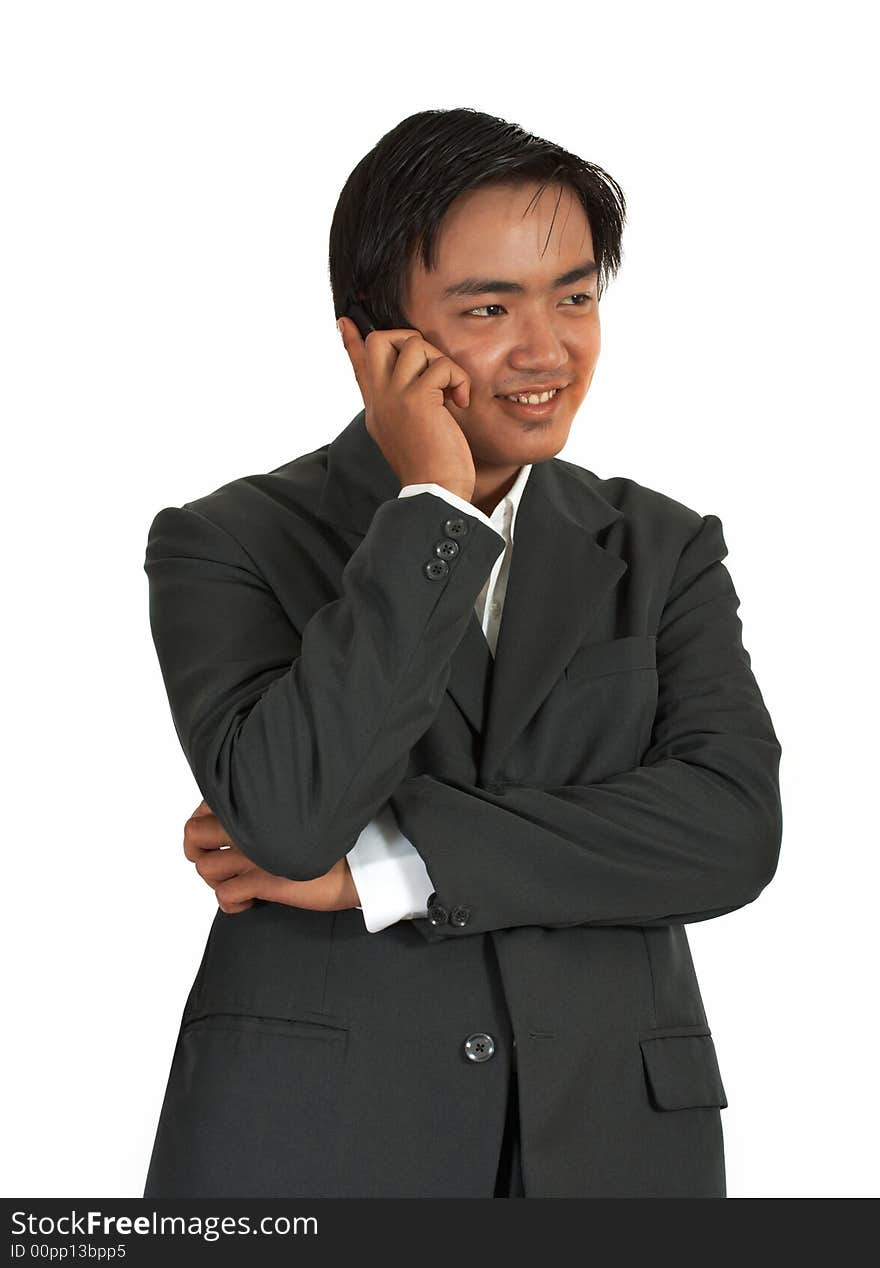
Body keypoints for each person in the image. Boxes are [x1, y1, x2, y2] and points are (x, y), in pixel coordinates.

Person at [141, 107, 782, 1199]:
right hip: (317, 1149)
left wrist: (385, 867)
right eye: (489, 307)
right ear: (367, 340)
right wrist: (432, 508)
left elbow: (729, 829)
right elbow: (292, 816)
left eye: (575, 295)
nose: (549, 349)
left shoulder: (661, 547)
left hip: (612, 1148)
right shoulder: (226, 542)